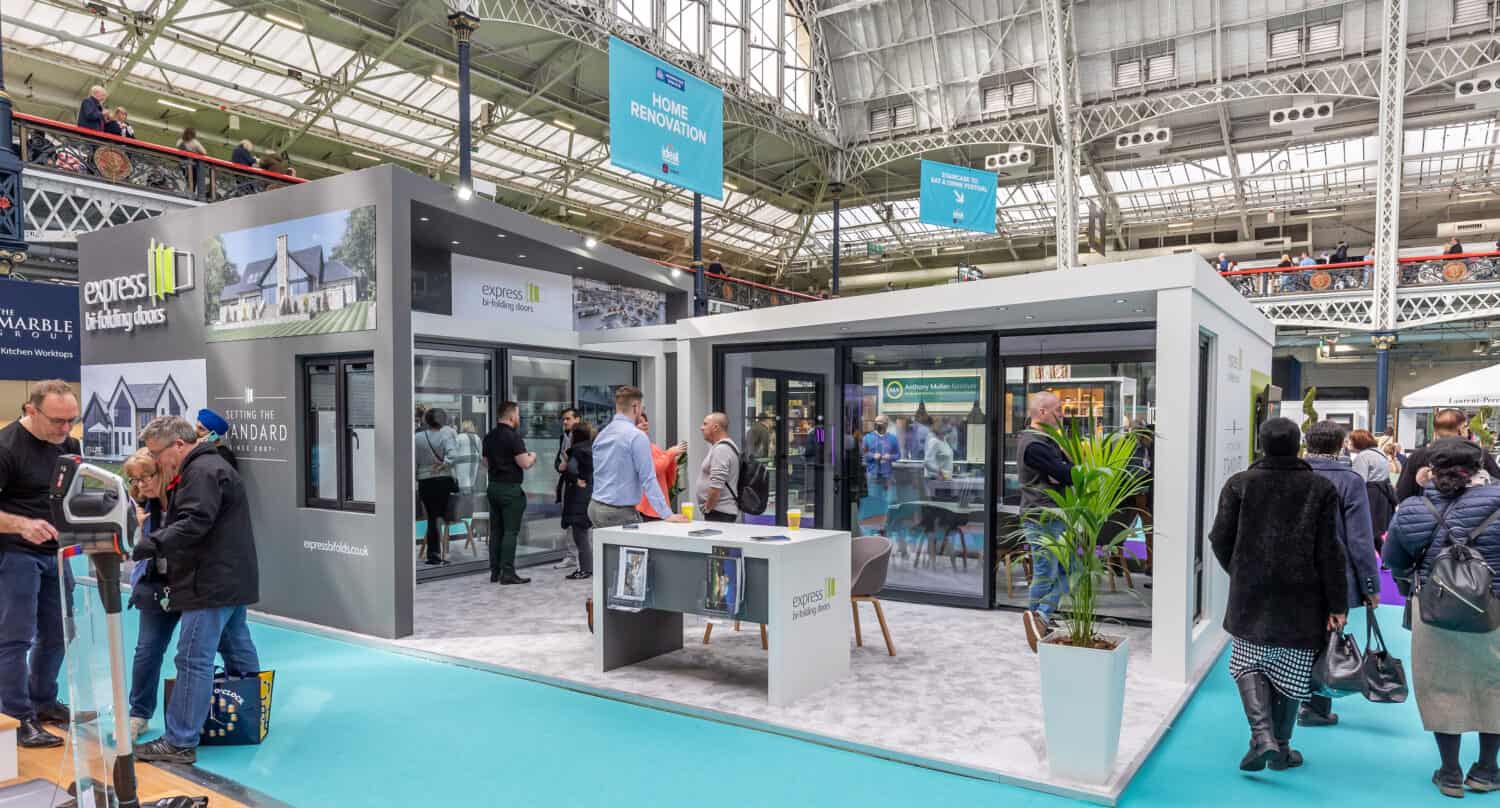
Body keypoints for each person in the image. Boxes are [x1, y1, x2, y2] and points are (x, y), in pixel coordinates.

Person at [1209, 417, 1349, 773]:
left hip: (1251, 591)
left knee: (1247, 661)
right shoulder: (1319, 488)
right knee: (1294, 666)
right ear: (1299, 444)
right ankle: (1281, 747)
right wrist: (1337, 602)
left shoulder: (1239, 484)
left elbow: (1219, 538)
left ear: (1260, 444)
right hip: (1304, 594)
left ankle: (1262, 736)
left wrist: (1239, 569)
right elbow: (1330, 550)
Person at [133, 416, 260, 765]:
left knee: (192, 658)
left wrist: (148, 545)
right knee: (237, 649)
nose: (155, 461)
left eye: (157, 453)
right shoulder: (209, 466)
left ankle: (179, 741)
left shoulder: (201, 472)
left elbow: (193, 523)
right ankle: (249, 715)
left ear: (178, 444)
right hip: (229, 578)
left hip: (210, 581)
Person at [1382, 437, 1500, 798]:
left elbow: (1394, 560)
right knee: (1495, 684)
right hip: (1495, 607)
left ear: (1431, 469)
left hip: (1434, 608)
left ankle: (1449, 772)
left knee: (1441, 686)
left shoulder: (1413, 508)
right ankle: (1487, 769)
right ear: (1480, 466)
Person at [122, 449, 245, 743]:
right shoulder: (138, 505)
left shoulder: (192, 490)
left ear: (164, 469)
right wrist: (134, 525)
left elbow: (197, 531)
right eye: (134, 480)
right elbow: (128, 547)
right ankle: (138, 713)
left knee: (230, 646)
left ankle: (247, 708)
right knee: (147, 650)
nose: (141, 485)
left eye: (146, 476)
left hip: (197, 584)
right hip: (157, 585)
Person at [0, 381, 82, 749]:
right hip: (14, 554)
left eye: (71, 421)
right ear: (31, 411)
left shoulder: (69, 446)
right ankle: (18, 718)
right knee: (14, 638)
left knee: (59, 632)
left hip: (56, 553)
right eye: (57, 421)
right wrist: (21, 524)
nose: (65, 430)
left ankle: (43, 700)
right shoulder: (5, 449)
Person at [1299, 421, 1383, 727]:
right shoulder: (1349, 481)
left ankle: (1289, 699)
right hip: (1334, 573)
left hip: (1291, 570)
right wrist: (1371, 585)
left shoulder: (1293, 474)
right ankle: (1316, 706)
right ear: (1340, 445)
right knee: (1326, 637)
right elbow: (1360, 539)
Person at [589, 386, 686, 531]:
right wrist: (667, 514)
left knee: (604, 553)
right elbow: (648, 478)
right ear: (635, 407)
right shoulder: (636, 436)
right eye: (642, 407)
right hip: (619, 512)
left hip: (595, 508)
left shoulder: (602, 434)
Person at [1019, 391, 1073, 653]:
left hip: (1055, 515)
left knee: (1072, 567)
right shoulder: (1035, 445)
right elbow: (1068, 474)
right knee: (1046, 571)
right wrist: (1061, 469)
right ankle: (1037, 621)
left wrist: (1062, 468)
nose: (1062, 415)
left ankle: (1039, 616)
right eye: (1058, 410)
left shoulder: (1047, 442)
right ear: (1042, 412)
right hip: (1042, 516)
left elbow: (1069, 470)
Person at [482, 402, 535, 584]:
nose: (519, 419)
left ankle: (495, 571)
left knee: (496, 530)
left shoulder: (489, 437)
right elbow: (524, 463)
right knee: (510, 532)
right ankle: (508, 572)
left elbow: (485, 463)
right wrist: (532, 456)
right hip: (510, 489)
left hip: (494, 486)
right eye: (518, 415)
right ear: (512, 417)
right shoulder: (513, 437)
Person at [1396, 408, 1500, 501]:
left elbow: (1403, 493)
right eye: (1466, 427)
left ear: (1435, 431)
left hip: (1429, 516)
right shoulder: (1479, 454)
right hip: (1474, 515)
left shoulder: (1418, 456)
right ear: (1461, 429)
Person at [415, 407, 458, 567]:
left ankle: (433, 554)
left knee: (431, 517)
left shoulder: (417, 437)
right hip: (443, 480)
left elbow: (413, 462)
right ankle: (439, 553)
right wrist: (443, 465)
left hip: (425, 481)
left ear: (427, 420)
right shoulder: (446, 435)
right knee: (439, 516)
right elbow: (453, 455)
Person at [634, 410, 686, 521]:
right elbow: (653, 469)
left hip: (656, 503)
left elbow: (666, 474)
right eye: (639, 422)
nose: (645, 423)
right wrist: (670, 453)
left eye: (646, 421)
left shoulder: (653, 447)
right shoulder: (638, 447)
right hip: (647, 504)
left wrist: (672, 458)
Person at [1348, 429, 1397, 547]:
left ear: (1358, 442)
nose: (1348, 444)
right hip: (1383, 494)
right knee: (1376, 531)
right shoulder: (1379, 453)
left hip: (1370, 496)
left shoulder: (1363, 456)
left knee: (1365, 531)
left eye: (1351, 441)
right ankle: (1384, 556)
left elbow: (1359, 481)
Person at [559, 422, 594, 580]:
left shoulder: (577, 451)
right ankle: (588, 567)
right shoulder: (593, 449)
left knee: (579, 535)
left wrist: (575, 478)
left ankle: (585, 569)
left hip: (578, 496)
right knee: (585, 533)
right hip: (590, 494)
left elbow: (572, 469)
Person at [697, 412, 741, 523]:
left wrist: (707, 508)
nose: (701, 428)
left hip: (720, 513)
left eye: (705, 424)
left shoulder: (722, 449)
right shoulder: (720, 447)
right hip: (719, 512)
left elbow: (716, 486)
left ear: (716, 427)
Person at [553, 408, 582, 570]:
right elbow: (558, 461)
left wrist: (568, 464)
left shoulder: (585, 437)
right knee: (568, 520)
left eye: (568, 419)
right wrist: (560, 466)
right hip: (567, 483)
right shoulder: (563, 438)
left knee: (582, 522)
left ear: (578, 419)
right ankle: (571, 555)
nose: (565, 422)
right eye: (563, 419)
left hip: (580, 483)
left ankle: (583, 557)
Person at [862, 414, 900, 518]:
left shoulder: (893, 439)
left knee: (889, 501)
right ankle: (875, 528)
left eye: (880, 423)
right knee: (874, 500)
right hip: (873, 473)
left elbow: (898, 455)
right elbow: (864, 454)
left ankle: (886, 525)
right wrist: (873, 455)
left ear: (886, 424)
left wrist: (890, 456)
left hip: (888, 474)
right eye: (876, 423)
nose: (878, 425)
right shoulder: (867, 438)